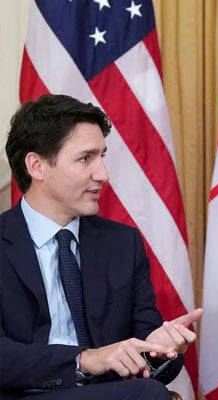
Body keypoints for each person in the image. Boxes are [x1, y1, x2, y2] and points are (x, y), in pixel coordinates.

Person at [0, 94, 203, 399]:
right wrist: (83, 359)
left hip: (114, 393)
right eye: (85, 159)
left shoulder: (123, 244)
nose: (102, 175)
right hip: (20, 394)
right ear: (37, 166)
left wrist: (159, 348)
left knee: (148, 391)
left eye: (102, 157)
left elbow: (144, 350)